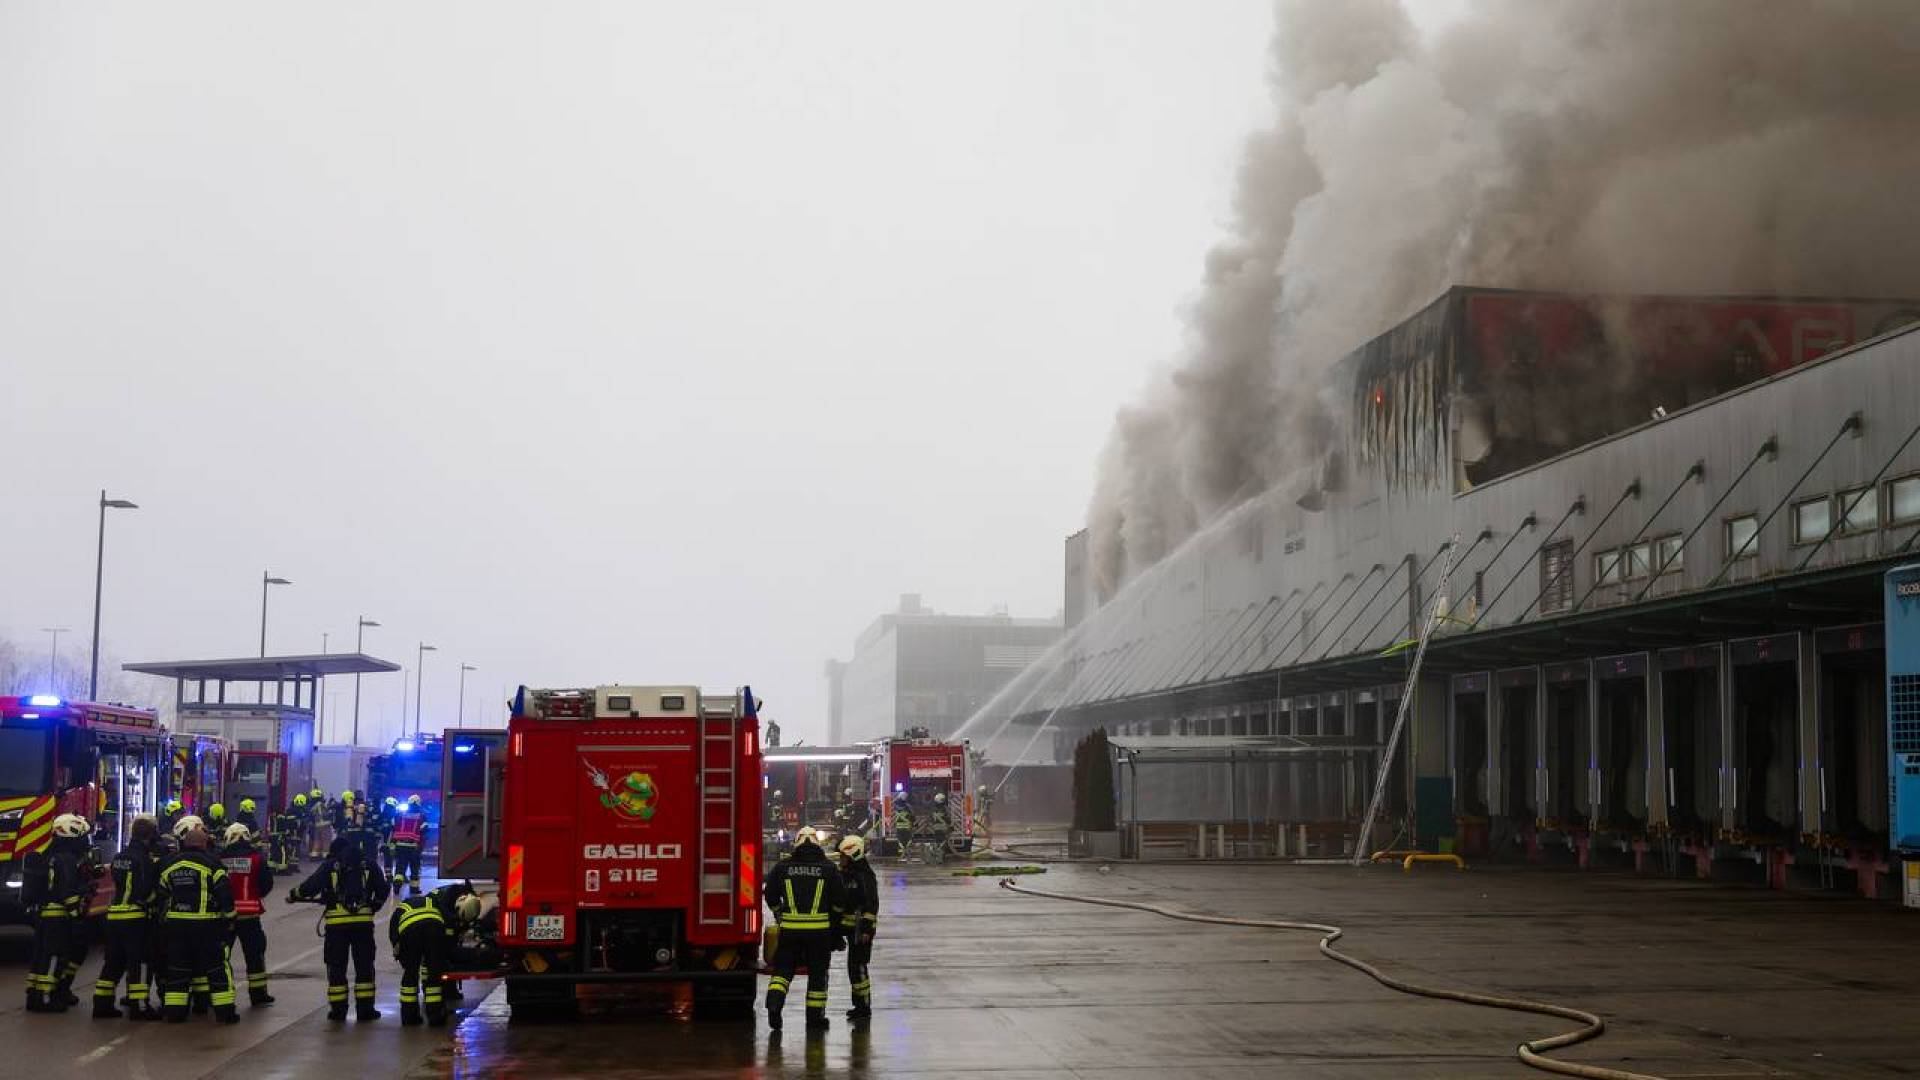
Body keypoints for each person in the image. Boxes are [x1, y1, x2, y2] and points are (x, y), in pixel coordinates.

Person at [289, 835, 389, 1021]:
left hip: (336, 927)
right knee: (365, 966)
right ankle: (366, 1010)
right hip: (363, 925)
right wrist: (375, 905)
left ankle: (338, 1011)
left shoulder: (331, 865)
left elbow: (311, 886)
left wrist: (294, 894)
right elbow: (383, 889)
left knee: (336, 967)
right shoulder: (369, 864)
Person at [762, 826, 846, 1032]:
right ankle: (814, 1020)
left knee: (782, 972)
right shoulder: (828, 868)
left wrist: (779, 912)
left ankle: (774, 1005)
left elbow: (770, 894)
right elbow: (839, 900)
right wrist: (834, 922)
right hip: (819, 932)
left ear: (797, 843)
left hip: (790, 930)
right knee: (818, 975)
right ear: (817, 844)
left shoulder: (783, 867)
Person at [157, 816, 239, 1024]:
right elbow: (224, 893)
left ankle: (175, 1012)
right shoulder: (212, 863)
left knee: (177, 969)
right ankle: (225, 1012)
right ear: (203, 844)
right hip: (205, 924)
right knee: (216, 968)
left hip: (176, 924)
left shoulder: (170, 864)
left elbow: (161, 893)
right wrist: (230, 918)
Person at [23, 813, 94, 1013]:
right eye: (82, 837)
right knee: (56, 956)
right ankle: (47, 997)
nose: (84, 842)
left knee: (41, 955)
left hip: (43, 914)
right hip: (58, 915)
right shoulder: (67, 860)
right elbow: (67, 891)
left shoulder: (48, 855)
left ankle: (34, 994)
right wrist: (76, 915)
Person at [94, 814, 162, 1019]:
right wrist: (157, 899)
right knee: (139, 962)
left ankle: (102, 1004)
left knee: (114, 962)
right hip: (135, 918)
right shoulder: (144, 859)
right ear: (150, 835)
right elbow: (145, 891)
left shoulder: (119, 857)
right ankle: (139, 1006)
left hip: (114, 915)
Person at [387, 884, 480, 1026]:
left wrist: (398, 950)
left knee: (410, 974)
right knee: (434, 972)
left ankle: (409, 1017)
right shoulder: (437, 904)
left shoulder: (411, 904)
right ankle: (435, 1015)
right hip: (434, 930)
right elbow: (447, 935)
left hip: (410, 933)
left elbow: (393, 929)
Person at [219, 822, 276, 1007]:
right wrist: (255, 894)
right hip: (250, 915)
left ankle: (219, 994)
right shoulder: (257, 858)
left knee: (220, 957)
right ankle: (258, 995)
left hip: (225, 917)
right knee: (255, 956)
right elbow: (267, 883)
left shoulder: (219, 859)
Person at [836, 834, 879, 1021]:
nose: (841, 860)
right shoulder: (845, 875)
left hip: (860, 931)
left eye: (843, 857)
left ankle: (864, 1007)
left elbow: (871, 905)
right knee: (852, 968)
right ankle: (858, 1005)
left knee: (858, 967)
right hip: (849, 929)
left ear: (853, 855)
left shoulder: (865, 877)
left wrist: (867, 930)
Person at [389, 795, 426, 893]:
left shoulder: (400, 814)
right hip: (414, 847)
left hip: (400, 845)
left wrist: (393, 843)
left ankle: (396, 886)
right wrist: (421, 846)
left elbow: (393, 826)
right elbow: (424, 831)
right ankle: (414, 889)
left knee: (400, 867)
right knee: (415, 869)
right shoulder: (422, 816)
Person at [271, 798, 305, 874]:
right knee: (288, 851)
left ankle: (281, 867)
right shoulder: (294, 813)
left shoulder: (283, 813)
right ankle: (287, 868)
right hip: (292, 835)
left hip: (283, 835)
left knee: (287, 851)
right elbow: (292, 825)